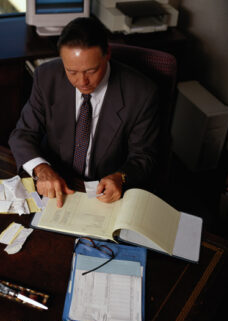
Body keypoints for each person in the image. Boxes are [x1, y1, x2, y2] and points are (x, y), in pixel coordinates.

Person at [9, 17, 159, 208]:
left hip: (104, 193)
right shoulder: (47, 77)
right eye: (71, 71)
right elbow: (22, 134)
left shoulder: (141, 93)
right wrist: (41, 169)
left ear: (107, 54)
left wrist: (120, 177)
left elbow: (143, 156)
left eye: (91, 70)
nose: (82, 82)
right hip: (57, 182)